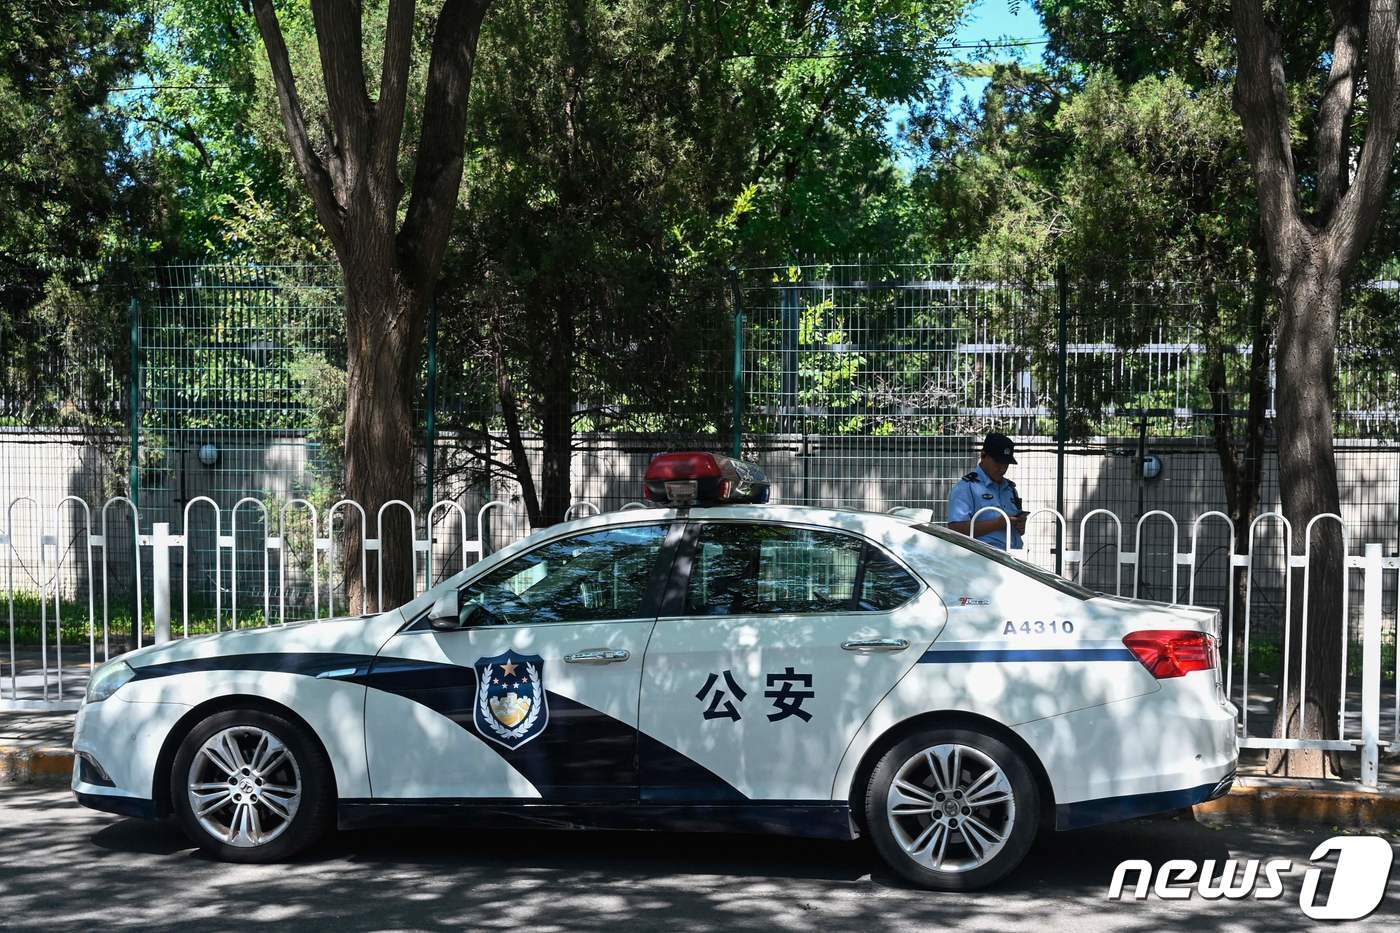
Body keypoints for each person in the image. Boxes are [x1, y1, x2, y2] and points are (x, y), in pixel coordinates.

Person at [947, 432, 1025, 550]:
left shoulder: (1010, 489)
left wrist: (1020, 525)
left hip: (1014, 556)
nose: (1002, 469)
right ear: (983, 455)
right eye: (998, 463)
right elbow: (956, 529)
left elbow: (1018, 528)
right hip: (983, 559)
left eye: (1006, 464)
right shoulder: (966, 488)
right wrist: (998, 523)